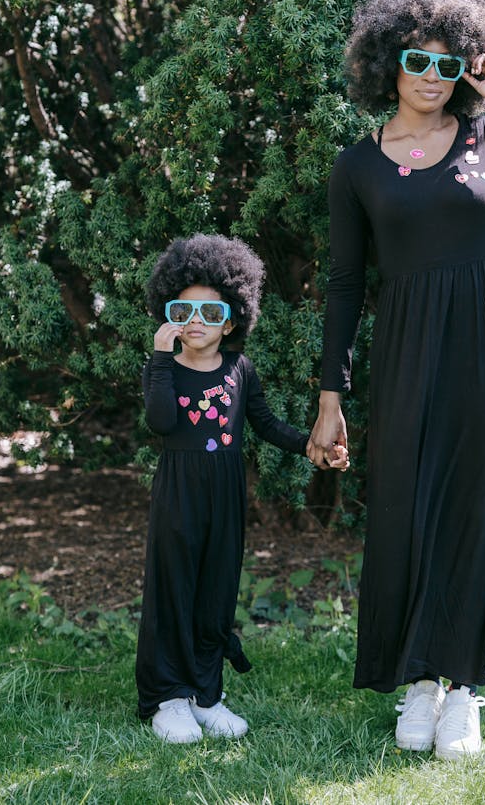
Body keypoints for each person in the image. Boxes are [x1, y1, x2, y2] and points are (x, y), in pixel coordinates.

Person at [307, 0, 485, 760]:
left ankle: (462, 690)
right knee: (407, 506)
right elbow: (348, 285)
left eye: (448, 62)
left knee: (473, 508)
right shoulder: (356, 167)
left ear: (468, 68)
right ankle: (418, 679)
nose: (430, 75)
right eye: (417, 60)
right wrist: (331, 395)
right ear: (386, 61)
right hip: (410, 348)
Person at [136, 233, 347, 744]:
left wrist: (310, 447)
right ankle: (167, 697)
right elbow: (161, 423)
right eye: (183, 311)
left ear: (231, 321)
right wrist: (162, 359)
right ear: (169, 315)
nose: (196, 323)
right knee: (175, 588)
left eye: (211, 314)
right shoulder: (161, 370)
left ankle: (206, 694)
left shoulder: (239, 370)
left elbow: (267, 424)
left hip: (225, 492)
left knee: (216, 589)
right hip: (179, 492)